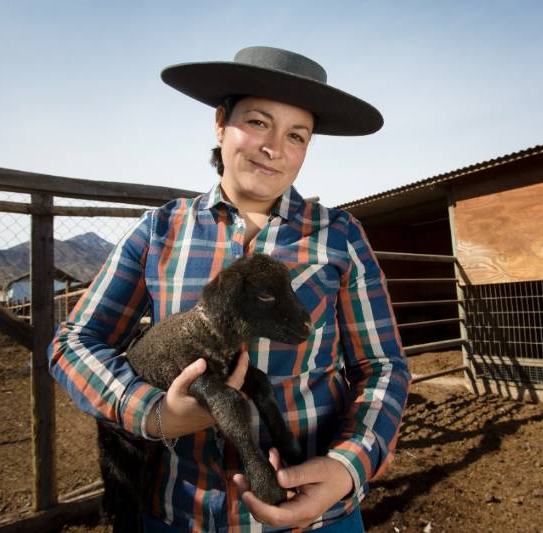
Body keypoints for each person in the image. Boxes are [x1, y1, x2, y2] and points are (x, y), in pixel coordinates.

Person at [49, 46, 410, 532]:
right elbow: (72, 342)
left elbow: (382, 365)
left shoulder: (339, 237)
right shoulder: (160, 230)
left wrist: (348, 465)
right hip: (180, 513)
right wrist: (154, 415)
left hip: (316, 515)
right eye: (259, 122)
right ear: (221, 123)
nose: (274, 147)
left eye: (296, 135)